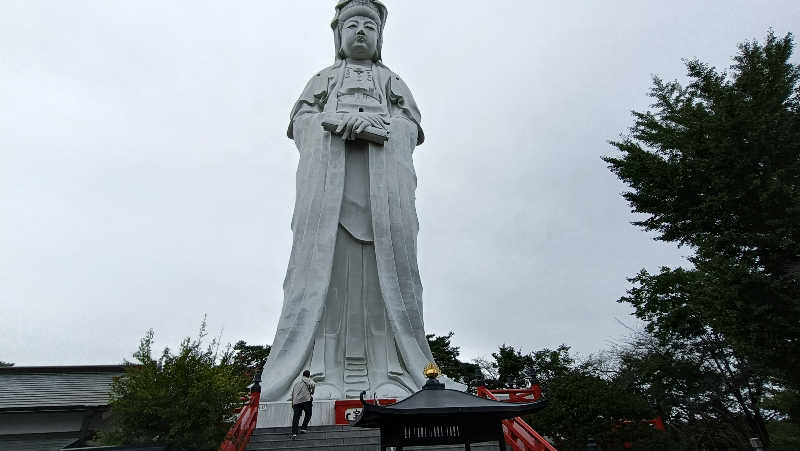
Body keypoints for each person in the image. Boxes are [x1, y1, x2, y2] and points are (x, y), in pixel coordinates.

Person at [259, 0, 464, 403]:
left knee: (384, 283)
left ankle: (392, 370)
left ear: (380, 36)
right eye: (351, 24)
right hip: (329, 206)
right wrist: (332, 125)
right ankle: (319, 373)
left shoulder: (391, 82)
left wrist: (382, 127)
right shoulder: (323, 79)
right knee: (326, 282)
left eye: (369, 26)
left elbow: (411, 127)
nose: (360, 32)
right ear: (337, 34)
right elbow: (301, 123)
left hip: (382, 203)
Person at [291, 370, 315, 438]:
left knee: (296, 417)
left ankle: (294, 432)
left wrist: (293, 403)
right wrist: (311, 392)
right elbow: (312, 391)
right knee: (308, 413)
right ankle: (303, 428)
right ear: (309, 375)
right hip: (306, 400)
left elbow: (293, 393)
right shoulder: (310, 381)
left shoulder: (297, 383)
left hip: (296, 402)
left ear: (303, 375)